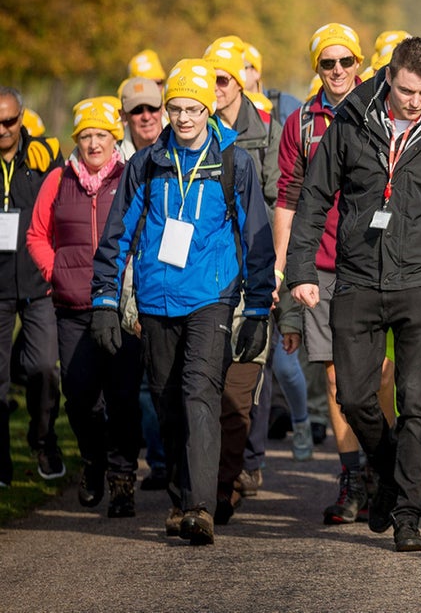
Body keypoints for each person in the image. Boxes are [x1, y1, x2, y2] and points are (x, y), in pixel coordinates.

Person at [286, 36, 421, 553]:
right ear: (389, 77)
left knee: (415, 403)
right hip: (358, 278)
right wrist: (299, 270)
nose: (415, 101)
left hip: (420, 283)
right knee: (354, 397)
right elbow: (315, 197)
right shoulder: (350, 121)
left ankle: (408, 515)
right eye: (407, 90)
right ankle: (387, 474)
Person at [91, 59, 275, 545]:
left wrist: (257, 307)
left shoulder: (236, 161)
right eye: (176, 108)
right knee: (168, 400)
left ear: (209, 106)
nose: (184, 118)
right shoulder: (146, 164)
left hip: (211, 297)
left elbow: (257, 238)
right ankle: (178, 499)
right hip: (154, 297)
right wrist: (106, 300)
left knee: (199, 394)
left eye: (193, 108)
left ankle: (200, 507)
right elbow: (117, 235)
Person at [273, 22, 375, 525]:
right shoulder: (301, 123)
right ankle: (352, 476)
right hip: (323, 267)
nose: (337, 71)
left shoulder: (381, 109)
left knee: (379, 379)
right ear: (317, 68)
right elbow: (288, 197)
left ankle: (383, 466)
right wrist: (285, 269)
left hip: (377, 264)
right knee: (337, 382)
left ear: (359, 63)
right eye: (327, 63)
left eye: (345, 61)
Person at [26, 98, 141, 516]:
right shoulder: (58, 180)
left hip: (120, 305)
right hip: (72, 306)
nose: (94, 144)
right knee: (79, 397)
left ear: (115, 138)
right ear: (77, 140)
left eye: (101, 135)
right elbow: (37, 234)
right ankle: (93, 461)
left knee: (124, 397)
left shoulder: (131, 176)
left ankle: (123, 477)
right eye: (86, 136)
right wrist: (56, 270)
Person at [203, 35, 286, 522]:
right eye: (210, 78)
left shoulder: (266, 130)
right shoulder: (195, 128)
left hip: (255, 261)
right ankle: (215, 470)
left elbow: (278, 201)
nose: (215, 88)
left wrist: (272, 265)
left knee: (255, 370)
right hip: (209, 267)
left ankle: (246, 464)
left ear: (239, 81)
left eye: (223, 79)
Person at [0, 85, 64, 487]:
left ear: (21, 118)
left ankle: (43, 439)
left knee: (43, 366)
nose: (2, 130)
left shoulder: (43, 156)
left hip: (39, 282)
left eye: (9, 121)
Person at [115, 77, 169, 489]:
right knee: (125, 380)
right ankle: (127, 462)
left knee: (159, 377)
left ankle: (165, 460)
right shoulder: (115, 161)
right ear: (125, 117)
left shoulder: (172, 154)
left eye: (153, 108)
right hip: (124, 273)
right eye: (138, 111)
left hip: (161, 272)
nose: (147, 117)